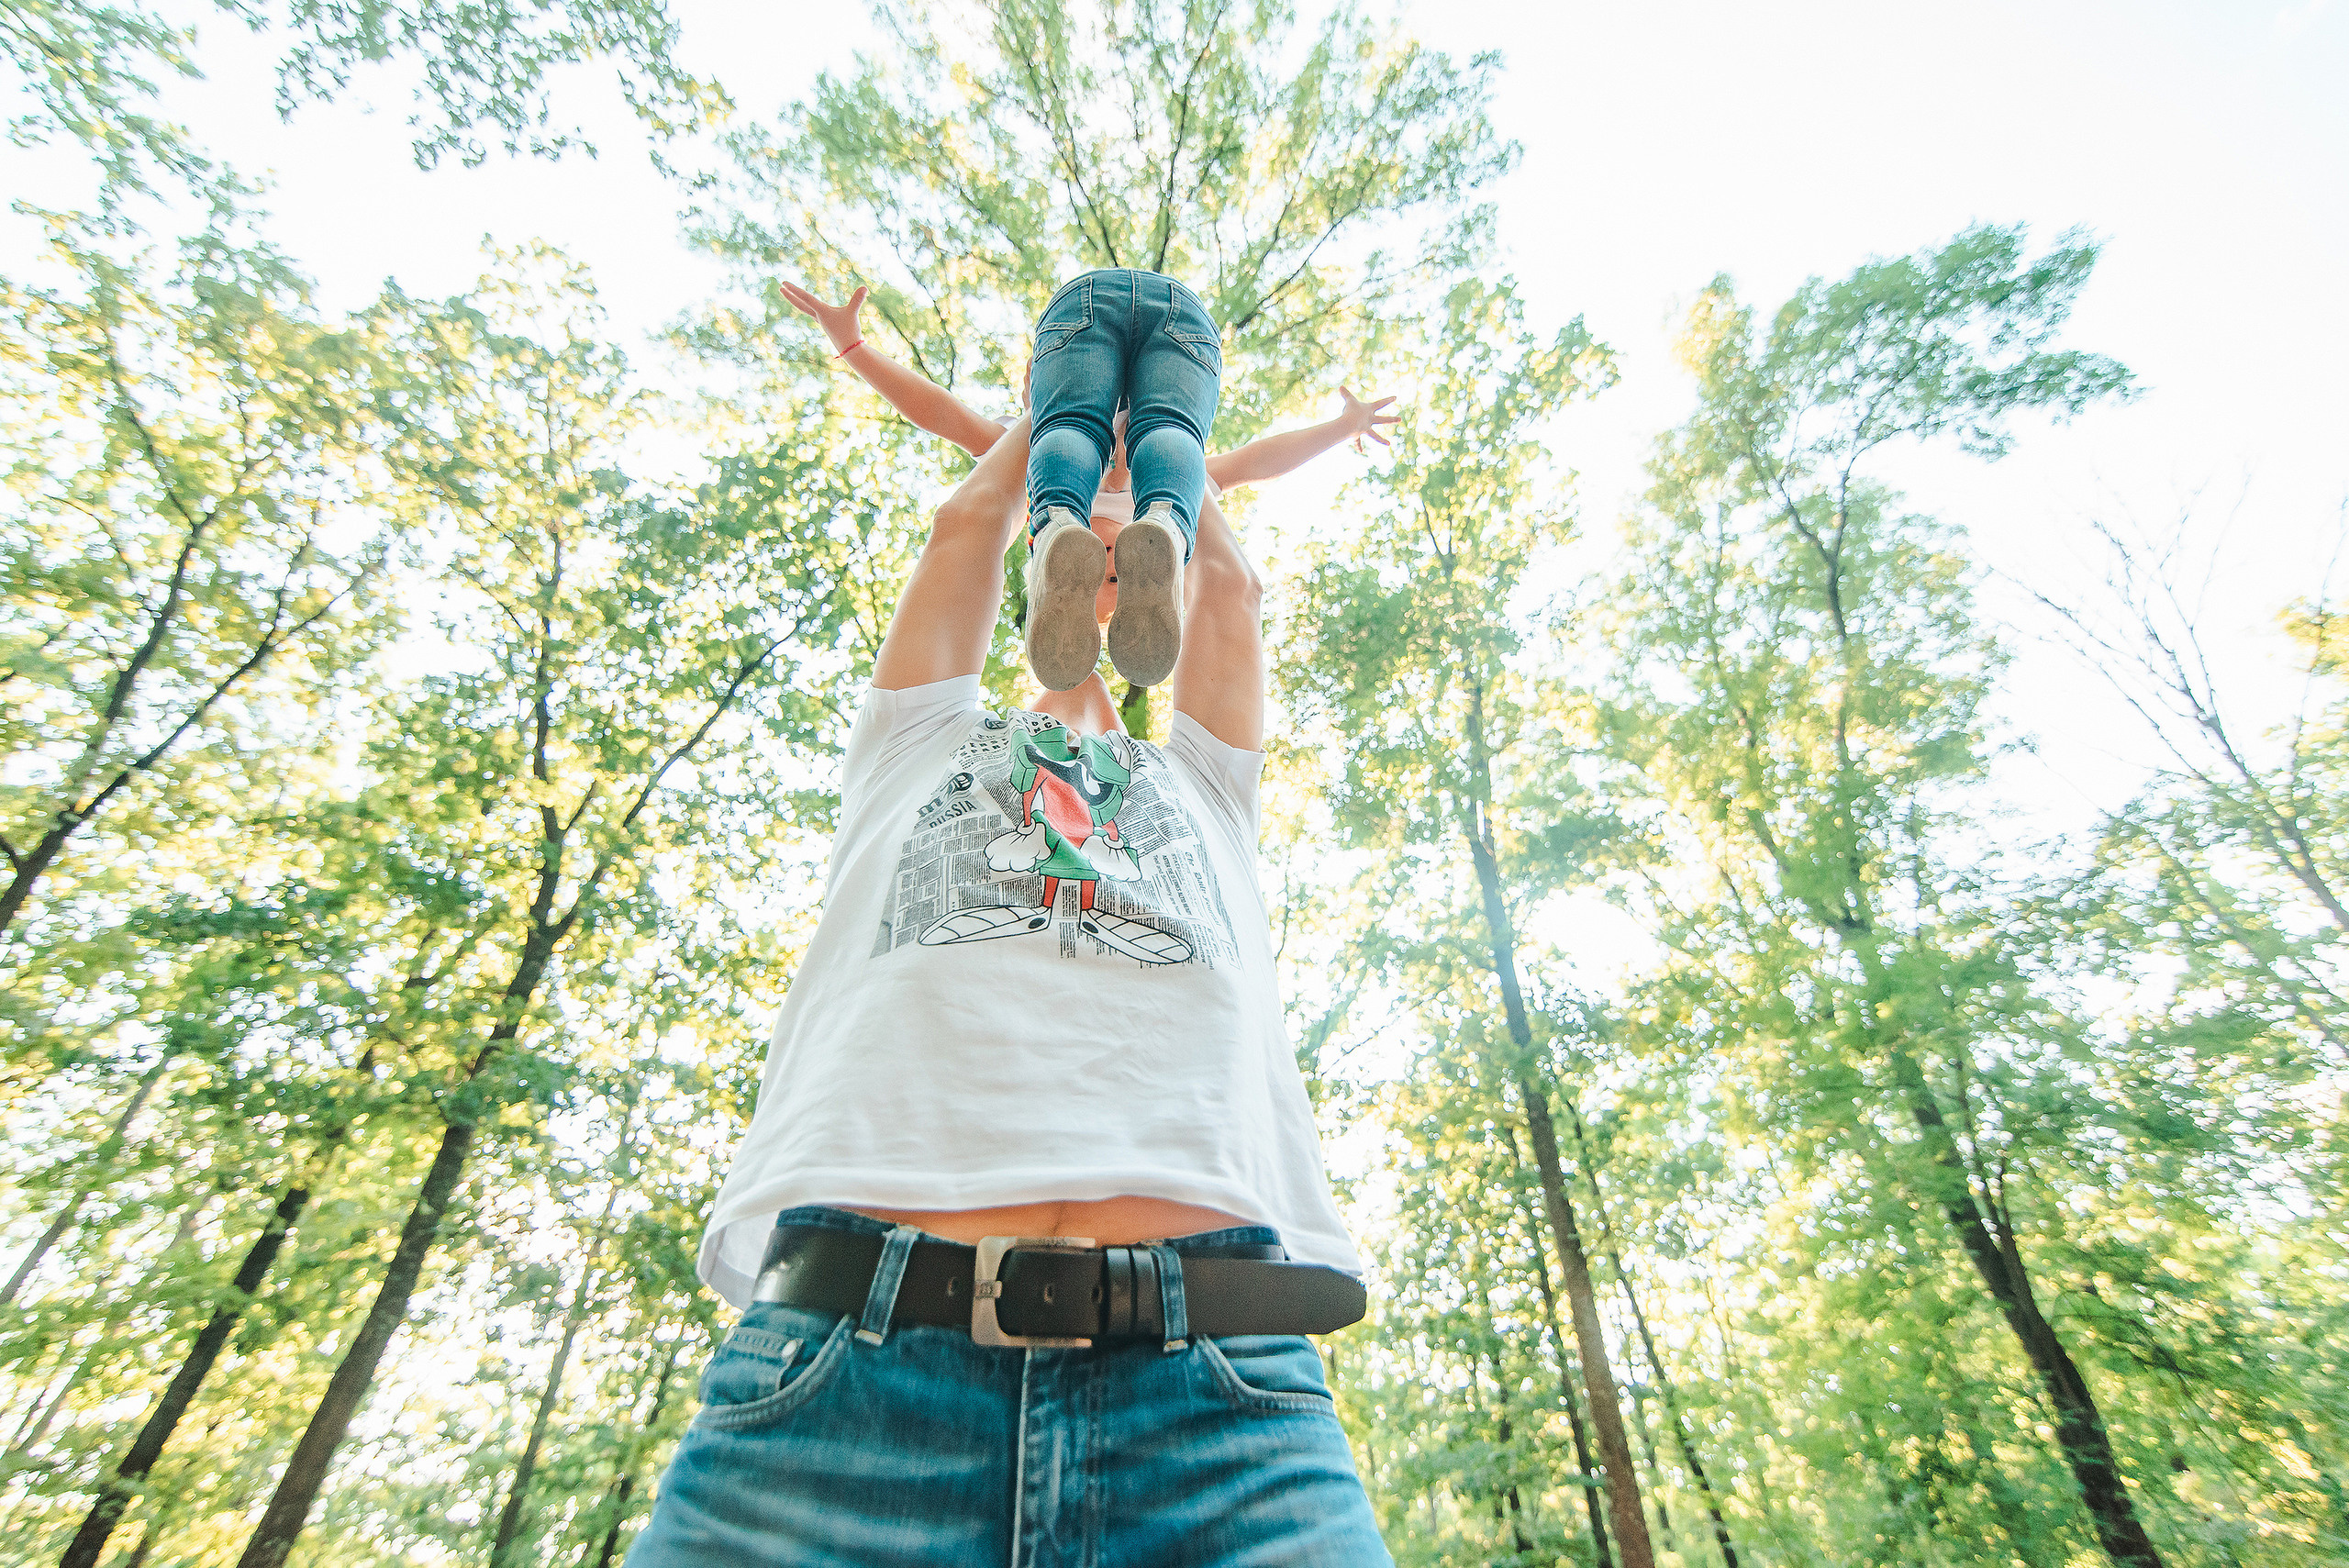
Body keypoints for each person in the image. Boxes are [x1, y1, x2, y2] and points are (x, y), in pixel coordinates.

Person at [621, 374, 1395, 1564]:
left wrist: (1166, 463)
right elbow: (958, 530)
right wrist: (1066, 411)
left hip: (1219, 1401)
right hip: (846, 1377)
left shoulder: (1202, 785)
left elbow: (1231, 589)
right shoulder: (919, 741)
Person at [780, 274, 1396, 692]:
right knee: (1175, 436)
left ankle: (1059, 523)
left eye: (1099, 576)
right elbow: (1261, 462)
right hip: (1181, 320)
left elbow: (942, 414)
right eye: (1122, 575)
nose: (1111, 565)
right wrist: (1342, 428)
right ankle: (1165, 522)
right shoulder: (1177, 481)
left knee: (1069, 425)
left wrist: (856, 349)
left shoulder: (1019, 460)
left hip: (1085, 310)